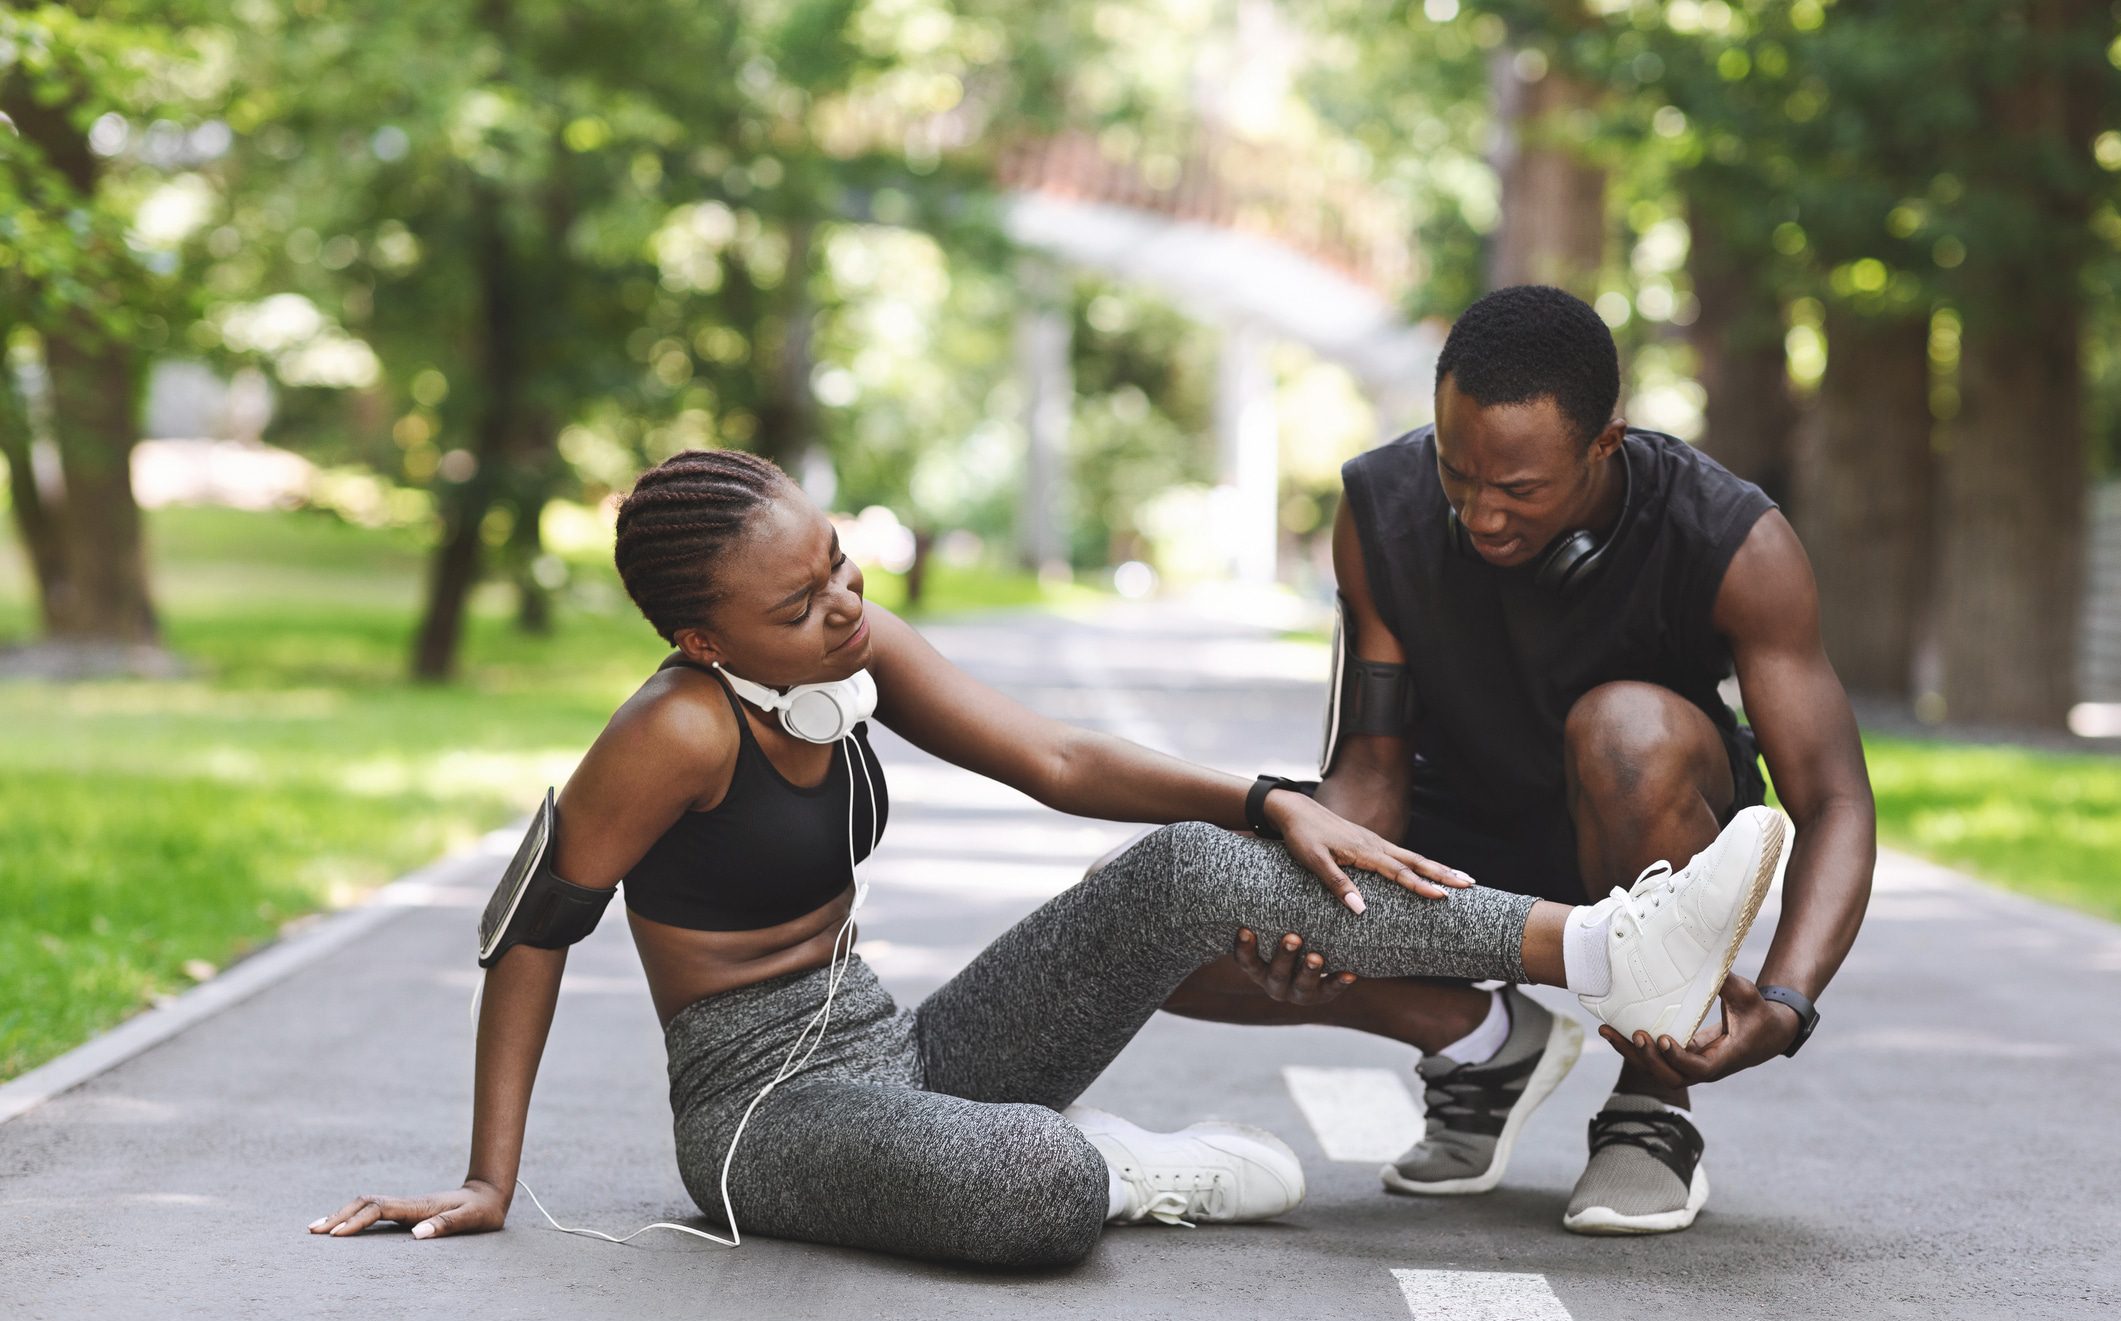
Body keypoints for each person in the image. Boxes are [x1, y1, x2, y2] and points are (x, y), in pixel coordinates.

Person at [309, 446, 1787, 1267]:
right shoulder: (674, 732)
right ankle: (1113, 1168)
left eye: (838, 564)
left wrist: (1269, 796)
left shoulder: (849, 639)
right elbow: (531, 926)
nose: (844, 606)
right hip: (767, 1122)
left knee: (1184, 865)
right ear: (702, 640)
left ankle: (1599, 949)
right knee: (1032, 1191)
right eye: (798, 601)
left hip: (901, 1051)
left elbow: (1060, 761)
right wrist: (486, 1176)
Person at [1164, 285, 1876, 1235]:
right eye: (1459, 475)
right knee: (1152, 910)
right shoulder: (1381, 510)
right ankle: (1480, 1042)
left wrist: (1784, 1002)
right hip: (1456, 845)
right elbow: (1369, 772)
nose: (1481, 515)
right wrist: (1310, 920)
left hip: (1643, 827)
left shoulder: (1731, 538)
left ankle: (1648, 1105)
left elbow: (1833, 800)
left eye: (1519, 490)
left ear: (1603, 446)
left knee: (1627, 732)